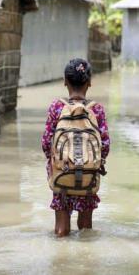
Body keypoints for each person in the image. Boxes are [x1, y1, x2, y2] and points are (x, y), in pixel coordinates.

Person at [41, 58, 110, 237]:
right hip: (88, 175)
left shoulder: (57, 107)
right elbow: (105, 145)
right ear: (89, 83)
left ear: (65, 81)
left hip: (62, 173)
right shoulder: (97, 110)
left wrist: (57, 161)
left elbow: (47, 142)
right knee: (86, 229)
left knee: (61, 230)